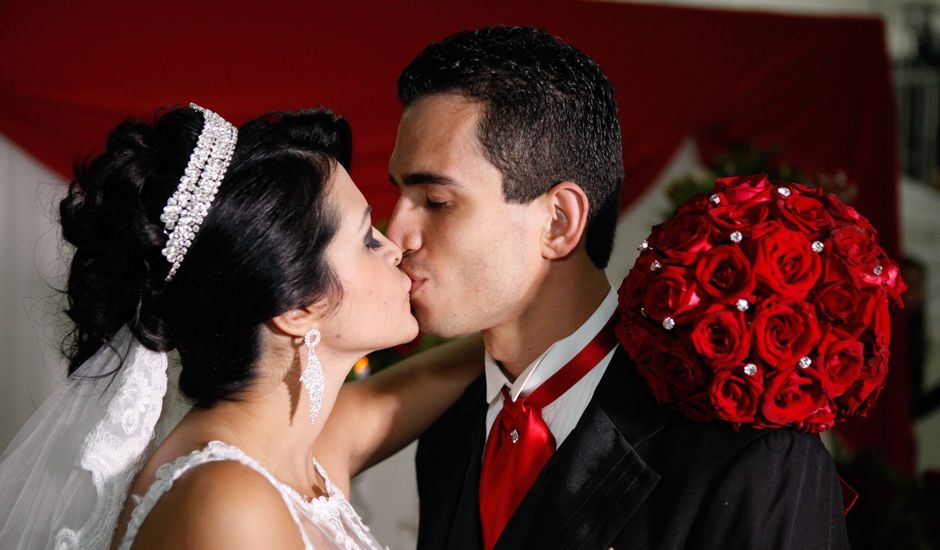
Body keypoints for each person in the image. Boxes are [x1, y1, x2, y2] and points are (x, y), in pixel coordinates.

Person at [386, 26, 851, 549]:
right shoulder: (449, 432)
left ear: (559, 222)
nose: (394, 234)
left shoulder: (746, 455)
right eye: (399, 194)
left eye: (435, 200)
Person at [0, 104, 482, 550]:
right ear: (296, 308)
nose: (395, 247)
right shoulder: (229, 504)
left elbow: (402, 394)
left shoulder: (286, 450)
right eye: (366, 239)